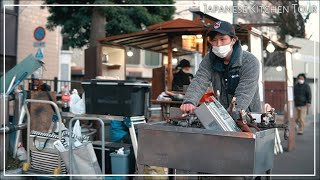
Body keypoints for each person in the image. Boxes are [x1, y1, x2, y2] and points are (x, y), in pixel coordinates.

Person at [180, 20, 261, 114]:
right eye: (214, 40)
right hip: (223, 115)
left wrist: (232, 113)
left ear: (233, 40)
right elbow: (200, 80)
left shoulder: (249, 61)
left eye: (222, 39)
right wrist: (189, 101)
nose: (218, 44)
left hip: (248, 117)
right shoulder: (209, 60)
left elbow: (244, 93)